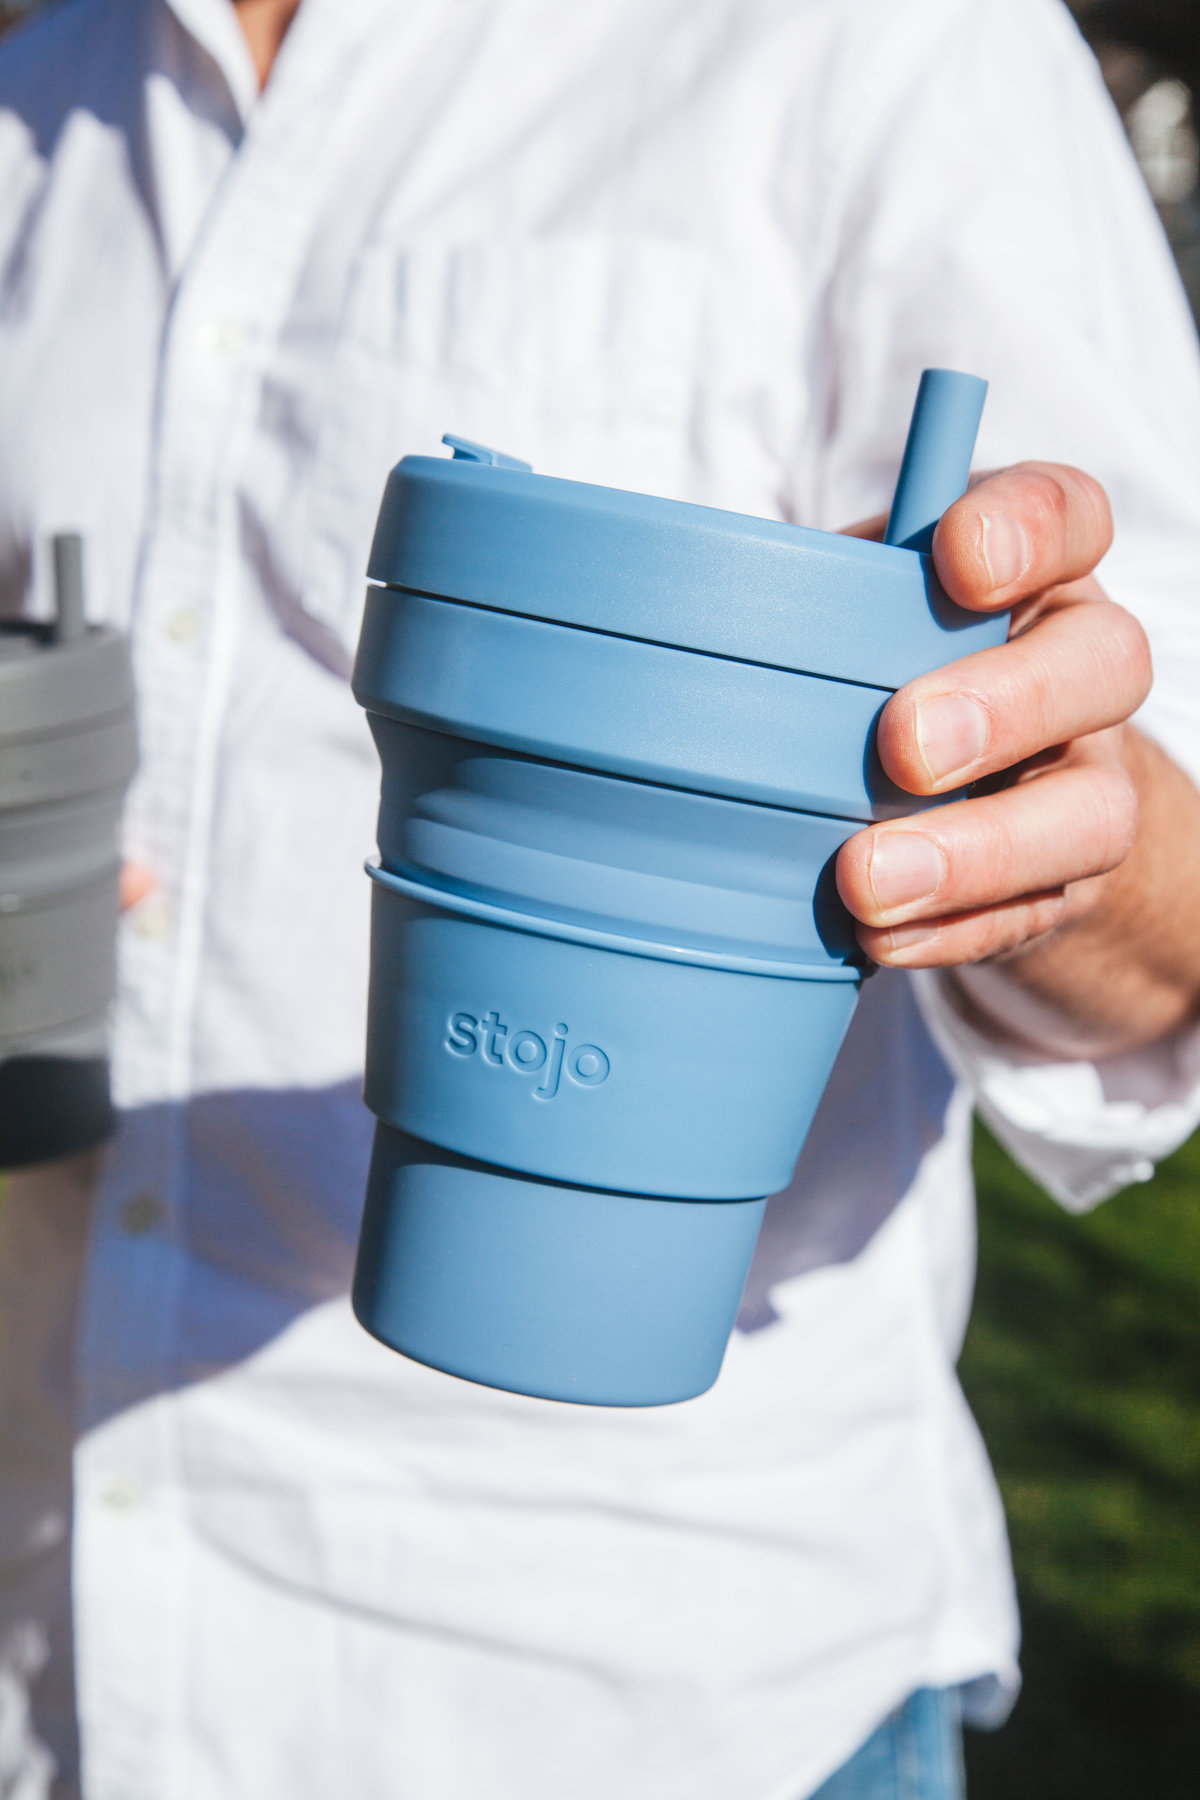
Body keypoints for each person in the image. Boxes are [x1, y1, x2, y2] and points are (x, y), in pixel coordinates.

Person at [2, 0, 1200, 1794]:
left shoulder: (895, 42)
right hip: (52, 1650)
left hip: (655, 1699)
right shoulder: (39, 98)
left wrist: (1056, 828)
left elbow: (1172, 881)